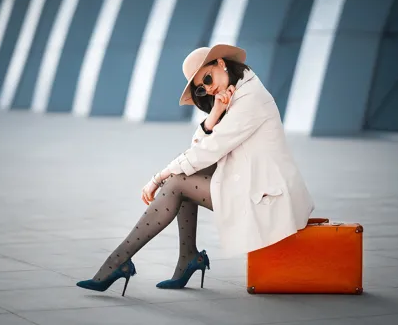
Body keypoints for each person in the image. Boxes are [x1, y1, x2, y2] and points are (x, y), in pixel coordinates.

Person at [76, 44, 315, 296]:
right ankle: (184, 258)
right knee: (181, 180)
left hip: (268, 198)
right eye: (203, 87)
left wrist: (158, 177)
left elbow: (205, 153)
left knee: (176, 183)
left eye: (208, 79)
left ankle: (121, 261)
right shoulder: (236, 94)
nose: (209, 89)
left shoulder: (250, 99)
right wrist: (215, 112)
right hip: (253, 186)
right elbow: (199, 147)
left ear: (221, 63)